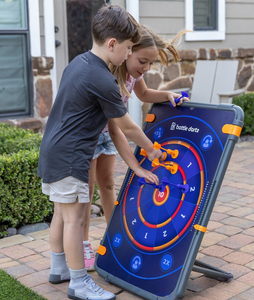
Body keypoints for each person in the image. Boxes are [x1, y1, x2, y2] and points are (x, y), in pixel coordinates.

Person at [37, 5, 164, 300]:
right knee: (75, 219)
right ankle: (79, 283)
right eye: (129, 48)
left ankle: (59, 269)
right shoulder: (104, 80)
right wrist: (151, 151)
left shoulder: (78, 63)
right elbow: (129, 128)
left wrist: (136, 167)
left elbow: (116, 132)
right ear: (112, 44)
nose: (128, 55)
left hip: (52, 150)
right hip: (71, 157)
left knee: (61, 213)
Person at [82, 24, 190, 271]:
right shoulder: (106, 76)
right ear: (127, 51)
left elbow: (144, 95)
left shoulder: (135, 73)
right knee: (85, 194)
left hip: (109, 135)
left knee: (108, 185)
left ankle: (112, 238)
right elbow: (119, 128)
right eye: (143, 61)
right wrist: (147, 150)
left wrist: (169, 95)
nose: (146, 68)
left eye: (150, 64)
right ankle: (84, 244)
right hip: (89, 137)